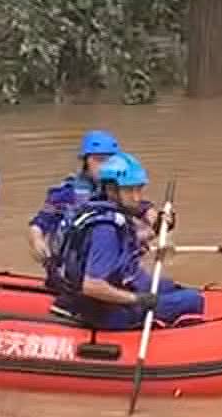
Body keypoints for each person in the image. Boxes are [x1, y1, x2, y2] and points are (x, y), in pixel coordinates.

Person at [49, 152, 204, 330]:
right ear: (111, 189)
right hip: (108, 311)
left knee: (170, 287)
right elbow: (92, 286)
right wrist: (136, 299)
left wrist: (158, 228)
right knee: (193, 299)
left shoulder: (97, 209)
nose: (137, 197)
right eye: (130, 190)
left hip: (100, 295)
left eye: (139, 189)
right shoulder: (106, 230)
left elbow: (125, 241)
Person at [29, 129, 122, 274]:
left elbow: (142, 212)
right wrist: (36, 240)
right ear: (85, 162)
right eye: (98, 160)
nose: (104, 166)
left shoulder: (121, 191)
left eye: (110, 161)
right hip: (71, 268)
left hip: (104, 263)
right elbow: (39, 223)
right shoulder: (66, 193)